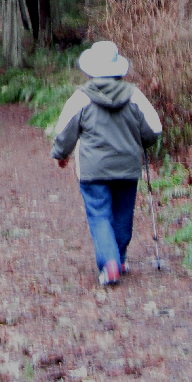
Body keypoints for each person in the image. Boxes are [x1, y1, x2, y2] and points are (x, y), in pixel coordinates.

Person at [51, 40, 162, 286]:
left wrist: (61, 154)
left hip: (93, 170)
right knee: (123, 214)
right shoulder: (134, 95)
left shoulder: (81, 97)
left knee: (100, 215)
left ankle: (110, 263)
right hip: (127, 167)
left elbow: (64, 130)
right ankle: (119, 259)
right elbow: (154, 129)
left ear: (91, 69)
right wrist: (141, 140)